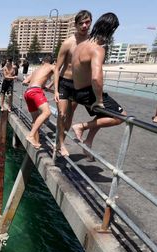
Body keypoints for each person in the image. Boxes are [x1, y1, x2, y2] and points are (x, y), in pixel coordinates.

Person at [70, 12, 126, 161]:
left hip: (78, 91)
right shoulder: (97, 49)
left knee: (102, 114)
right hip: (89, 92)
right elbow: (96, 76)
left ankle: (88, 142)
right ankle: (81, 126)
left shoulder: (81, 46)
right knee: (122, 116)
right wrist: (99, 99)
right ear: (110, 30)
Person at [53, 10, 92, 156]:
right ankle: (61, 144)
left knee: (69, 117)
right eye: (81, 23)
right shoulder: (68, 43)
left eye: (87, 22)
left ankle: (60, 140)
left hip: (79, 85)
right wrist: (56, 90)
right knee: (62, 114)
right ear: (75, 25)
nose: (84, 25)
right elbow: (57, 68)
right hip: (65, 83)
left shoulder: (92, 42)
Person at [22, 56, 55, 149]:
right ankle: (31, 135)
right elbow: (57, 76)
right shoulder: (52, 67)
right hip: (36, 92)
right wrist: (50, 86)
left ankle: (36, 143)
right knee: (47, 112)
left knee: (35, 119)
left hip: (28, 92)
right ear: (51, 62)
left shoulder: (36, 70)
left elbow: (24, 82)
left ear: (43, 61)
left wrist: (36, 84)